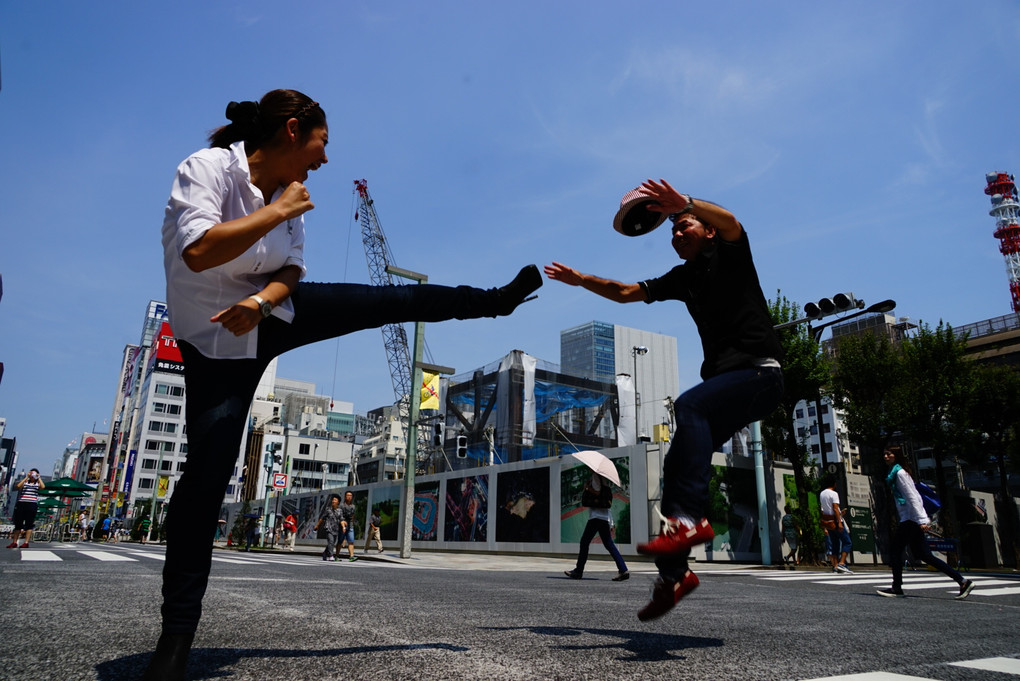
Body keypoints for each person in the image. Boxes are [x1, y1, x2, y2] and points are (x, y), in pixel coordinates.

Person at [144, 88, 542, 681]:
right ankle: (174, 641)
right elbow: (199, 252)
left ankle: (493, 303)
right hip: (212, 350)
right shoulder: (207, 169)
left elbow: (291, 270)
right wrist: (277, 213)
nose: (324, 161)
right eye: (321, 144)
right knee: (204, 482)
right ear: (292, 130)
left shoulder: (294, 198)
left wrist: (260, 301)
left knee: (386, 301)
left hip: (270, 316)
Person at [545, 180, 783, 621]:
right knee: (678, 462)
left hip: (758, 374)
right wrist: (580, 280)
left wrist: (688, 203)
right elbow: (625, 292)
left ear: (706, 230)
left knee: (689, 407)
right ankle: (674, 575)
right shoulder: (683, 278)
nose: (676, 234)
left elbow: (732, 223)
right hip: (728, 388)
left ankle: (688, 524)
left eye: (684, 226)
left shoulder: (728, 251)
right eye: (671, 231)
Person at [877, 447, 974, 600]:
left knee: (895, 551)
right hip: (910, 518)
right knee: (924, 555)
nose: (886, 456)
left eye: (889, 454)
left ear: (897, 456)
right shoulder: (894, 473)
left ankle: (897, 587)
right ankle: (962, 581)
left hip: (911, 519)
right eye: (884, 454)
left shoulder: (900, 474)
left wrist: (922, 520)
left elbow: (913, 497)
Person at [563, 473, 629, 582]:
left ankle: (578, 571)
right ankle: (623, 569)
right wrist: (611, 522)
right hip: (604, 517)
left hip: (596, 517)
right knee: (609, 544)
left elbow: (597, 492)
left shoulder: (595, 477)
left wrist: (587, 488)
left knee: (584, 542)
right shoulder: (603, 479)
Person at [819, 475, 851, 574]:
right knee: (847, 542)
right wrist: (839, 522)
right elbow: (835, 508)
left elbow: (823, 509)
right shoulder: (834, 494)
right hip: (836, 521)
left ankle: (835, 566)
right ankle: (842, 563)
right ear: (834, 484)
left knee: (835, 544)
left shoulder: (822, 494)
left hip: (828, 522)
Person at [7, 469, 45, 549]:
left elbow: (43, 487)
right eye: (31, 472)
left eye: (34, 473)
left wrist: (39, 478)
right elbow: (18, 486)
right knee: (18, 524)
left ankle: (26, 542)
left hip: (32, 504)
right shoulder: (25, 482)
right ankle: (14, 542)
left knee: (29, 524)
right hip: (22, 503)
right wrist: (26, 477)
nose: (32, 474)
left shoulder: (37, 483)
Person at [315, 494, 343, 562]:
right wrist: (317, 525)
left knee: (332, 543)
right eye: (333, 500)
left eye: (335, 500)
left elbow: (341, 519)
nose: (333, 501)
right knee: (331, 541)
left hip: (336, 529)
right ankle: (331, 556)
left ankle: (325, 553)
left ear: (338, 502)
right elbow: (322, 518)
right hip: (328, 528)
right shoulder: (328, 509)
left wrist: (343, 526)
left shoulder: (340, 510)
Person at [339, 490, 358, 562]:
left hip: (350, 526)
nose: (349, 497)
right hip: (342, 525)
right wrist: (342, 524)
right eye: (348, 495)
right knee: (340, 541)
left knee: (351, 541)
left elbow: (352, 516)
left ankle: (351, 556)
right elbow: (339, 515)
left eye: (350, 496)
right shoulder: (341, 505)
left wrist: (352, 524)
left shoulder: (353, 506)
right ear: (345, 496)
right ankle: (337, 555)